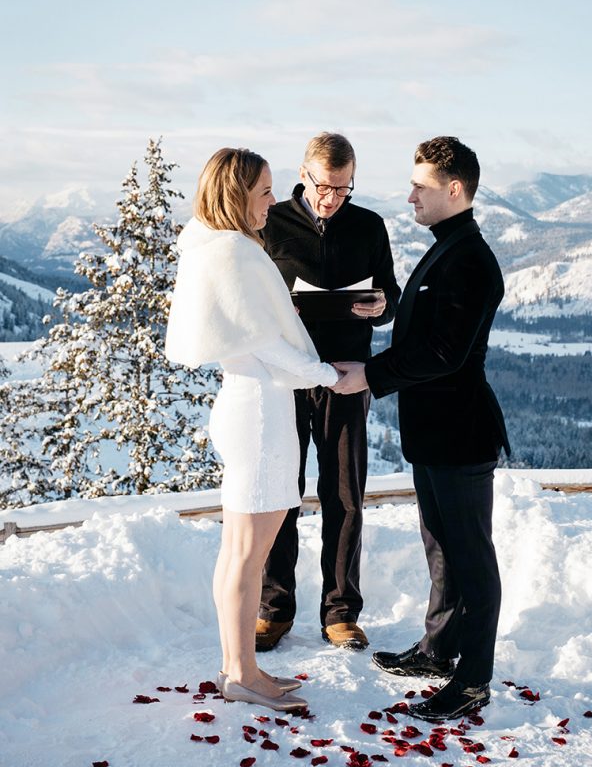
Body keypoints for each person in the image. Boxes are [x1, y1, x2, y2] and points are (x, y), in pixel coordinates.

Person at [333, 136, 510, 722]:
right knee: (441, 550)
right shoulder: (445, 249)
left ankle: (474, 679)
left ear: (453, 190)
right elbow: (425, 326)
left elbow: (445, 352)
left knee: (471, 558)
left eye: (421, 186)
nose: (410, 195)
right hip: (432, 432)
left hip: (460, 432)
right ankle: (438, 651)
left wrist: (371, 375)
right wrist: (387, 304)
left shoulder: (472, 259)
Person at [165, 147, 340, 712]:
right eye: (265, 191)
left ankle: (238, 665)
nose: (272, 200)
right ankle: (242, 673)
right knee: (248, 552)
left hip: (246, 406)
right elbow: (265, 342)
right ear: (238, 194)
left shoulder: (212, 247)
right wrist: (325, 374)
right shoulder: (235, 254)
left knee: (238, 549)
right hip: (259, 412)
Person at [257, 133, 401, 652]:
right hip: (285, 377)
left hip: (344, 376)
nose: (332, 198)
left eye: (343, 188)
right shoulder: (270, 222)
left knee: (345, 494)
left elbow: (391, 296)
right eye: (324, 186)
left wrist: (380, 305)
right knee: (281, 493)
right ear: (305, 173)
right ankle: (274, 609)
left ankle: (340, 612)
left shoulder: (369, 225)